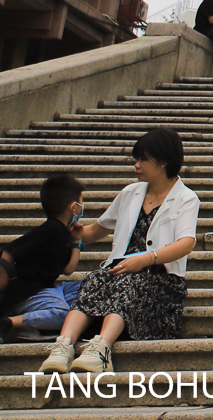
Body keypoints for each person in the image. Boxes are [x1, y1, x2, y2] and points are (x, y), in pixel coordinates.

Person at [38, 128, 199, 376]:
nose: (137, 165)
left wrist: (145, 259)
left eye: (143, 159)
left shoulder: (186, 198)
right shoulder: (130, 193)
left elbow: (186, 242)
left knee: (129, 281)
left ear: (164, 161)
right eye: (136, 159)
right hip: (119, 271)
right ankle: (63, 346)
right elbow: (97, 230)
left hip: (161, 280)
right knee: (95, 279)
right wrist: (75, 234)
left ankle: (101, 349)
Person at [3, 173, 83, 339]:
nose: (83, 207)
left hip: (47, 288)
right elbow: (9, 251)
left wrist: (76, 242)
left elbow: (68, 270)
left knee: (89, 287)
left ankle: (36, 326)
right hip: (26, 292)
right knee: (65, 315)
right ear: (73, 207)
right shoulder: (50, 229)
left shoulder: (61, 232)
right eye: (81, 202)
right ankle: (8, 323)